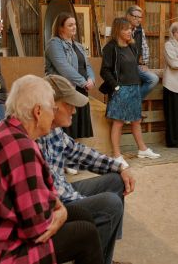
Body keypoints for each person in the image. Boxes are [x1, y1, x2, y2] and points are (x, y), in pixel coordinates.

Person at [0, 75, 104, 264]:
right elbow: (37, 229)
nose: (53, 114)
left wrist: (59, 208)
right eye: (52, 108)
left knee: (81, 214)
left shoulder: (7, 129)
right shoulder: (21, 148)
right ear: (38, 112)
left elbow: (38, 193)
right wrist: (61, 213)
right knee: (85, 235)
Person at [38, 75, 136, 264]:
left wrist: (120, 166)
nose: (74, 111)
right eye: (69, 104)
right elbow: (48, 197)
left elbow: (80, 154)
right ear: (49, 106)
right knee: (110, 204)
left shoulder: (54, 130)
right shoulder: (31, 138)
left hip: (64, 193)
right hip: (56, 205)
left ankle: (102, 257)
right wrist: (87, 204)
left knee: (116, 180)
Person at [101, 17, 160, 167]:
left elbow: (135, 68)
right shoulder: (110, 48)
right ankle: (116, 155)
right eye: (126, 29)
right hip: (121, 89)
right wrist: (115, 87)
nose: (129, 31)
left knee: (136, 120)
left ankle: (142, 149)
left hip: (134, 88)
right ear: (118, 30)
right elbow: (105, 70)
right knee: (118, 122)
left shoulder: (131, 47)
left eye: (130, 29)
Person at [45, 13, 95, 139]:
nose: (74, 27)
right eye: (70, 25)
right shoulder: (54, 43)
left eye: (75, 24)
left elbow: (87, 65)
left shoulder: (78, 45)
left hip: (81, 90)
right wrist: (83, 82)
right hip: (66, 90)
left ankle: (75, 156)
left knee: (77, 130)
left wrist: (91, 80)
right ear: (60, 28)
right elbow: (63, 67)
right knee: (66, 129)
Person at [126, 5, 159, 100]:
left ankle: (134, 102)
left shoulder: (140, 30)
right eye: (135, 17)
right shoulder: (122, 28)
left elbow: (145, 47)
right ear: (128, 16)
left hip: (136, 65)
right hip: (124, 67)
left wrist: (144, 63)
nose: (138, 19)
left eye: (140, 17)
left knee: (153, 79)